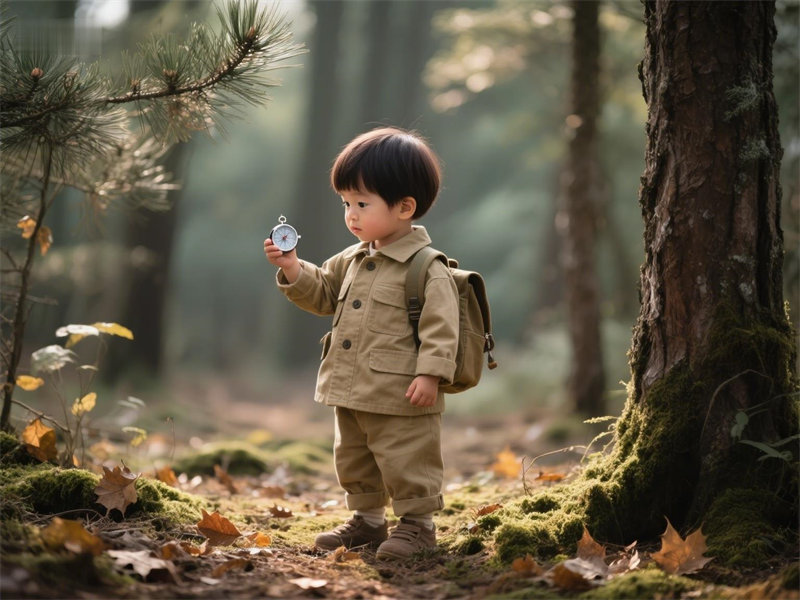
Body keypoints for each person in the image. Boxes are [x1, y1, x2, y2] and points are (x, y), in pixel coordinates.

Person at [263, 127, 459, 560]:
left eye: (362, 204)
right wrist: (294, 268)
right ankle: (368, 521)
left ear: (404, 207)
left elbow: (442, 326)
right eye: (346, 203)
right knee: (353, 457)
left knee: (409, 458)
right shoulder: (352, 258)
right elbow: (322, 295)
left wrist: (431, 373)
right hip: (350, 386)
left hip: (403, 391)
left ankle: (418, 526)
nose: (351, 214)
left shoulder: (428, 268)